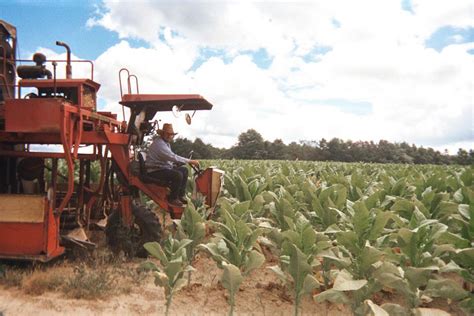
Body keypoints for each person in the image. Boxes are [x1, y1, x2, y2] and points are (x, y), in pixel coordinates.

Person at [145, 123, 200, 207]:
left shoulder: (165, 143)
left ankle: (180, 195)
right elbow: (172, 156)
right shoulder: (159, 144)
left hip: (161, 168)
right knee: (177, 175)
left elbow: (168, 159)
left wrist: (175, 163)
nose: (170, 136)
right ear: (163, 134)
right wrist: (190, 161)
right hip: (154, 171)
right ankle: (172, 198)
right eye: (168, 134)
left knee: (184, 170)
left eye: (171, 134)